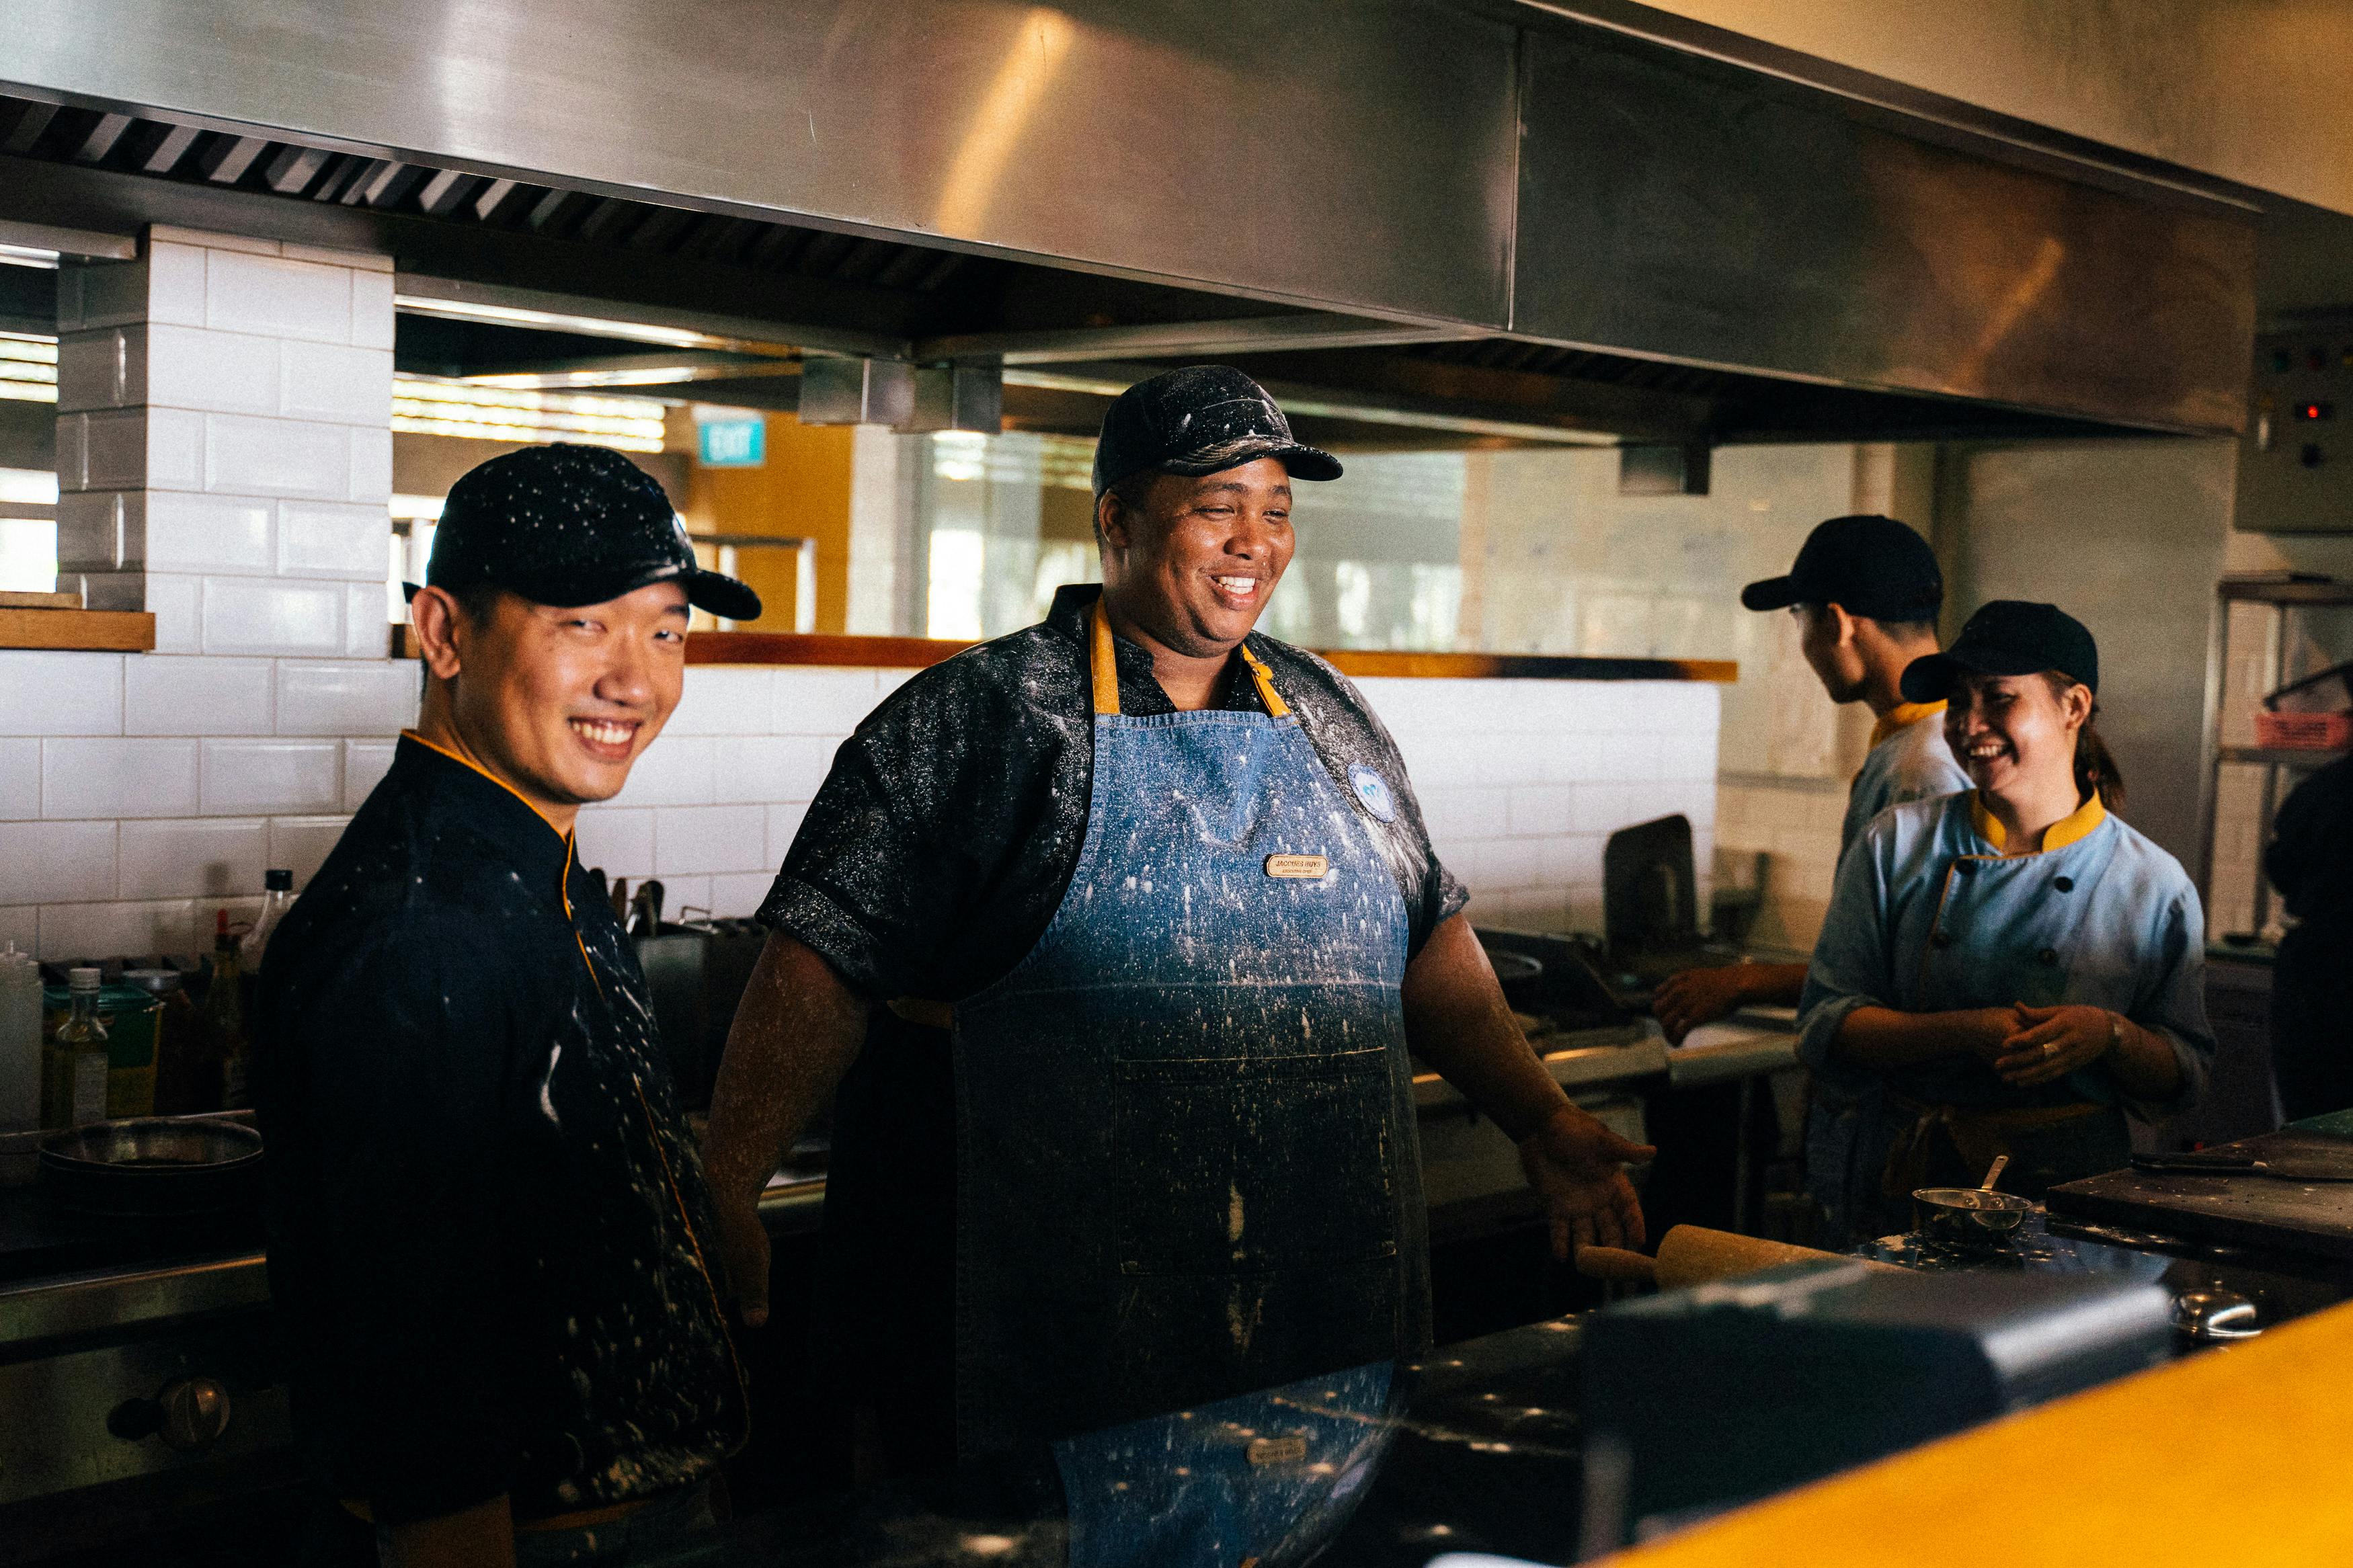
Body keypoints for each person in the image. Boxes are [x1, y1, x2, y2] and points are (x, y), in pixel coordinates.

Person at [701, 365, 1652, 1467]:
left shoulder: (1331, 714)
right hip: (1053, 1337)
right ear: (1118, 519)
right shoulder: (981, 721)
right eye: (1216, 507)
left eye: (1276, 512)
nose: (1255, 542)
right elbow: (819, 963)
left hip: (1310, 1325)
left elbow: (1427, 936)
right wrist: (728, 1184)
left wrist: (1539, 1117)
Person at [253, 445, 759, 1567]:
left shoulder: (525, 861)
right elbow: (419, 1375)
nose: (636, 680)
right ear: (444, 633)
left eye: (666, 630)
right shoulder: (419, 932)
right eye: (584, 623)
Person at [1797, 600, 2217, 1245]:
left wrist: (2108, 1035)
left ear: (2074, 706)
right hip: (1908, 1183)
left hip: (2070, 1197)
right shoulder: (1897, 844)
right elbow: (1827, 1022)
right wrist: (1965, 1031)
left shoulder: (2151, 882)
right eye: (1958, 702)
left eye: (1998, 699)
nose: (1970, 726)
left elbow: (2184, 1072)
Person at [1652, 515, 1968, 1044]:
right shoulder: (1916, 746)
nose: (1801, 642)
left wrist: (1746, 981)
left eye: (1798, 617)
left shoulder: (1923, 773)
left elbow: (1904, 970)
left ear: (1839, 622)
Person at [2264, 749, 2353, 1121]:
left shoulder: (2318, 791)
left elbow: (2281, 867)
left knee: (2310, 1125)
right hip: (2320, 974)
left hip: (2317, 975)